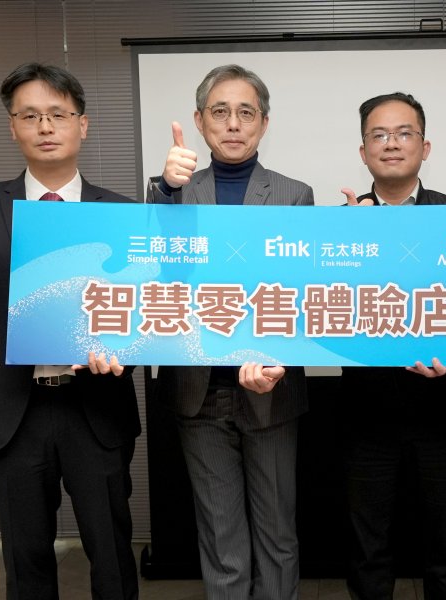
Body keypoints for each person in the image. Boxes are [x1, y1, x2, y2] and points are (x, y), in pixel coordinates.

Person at [0, 63, 141, 599]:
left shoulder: (121, 211)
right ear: (12, 127)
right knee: (25, 561)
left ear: (82, 125)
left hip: (96, 407)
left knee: (112, 556)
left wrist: (123, 353)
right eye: (29, 116)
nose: (45, 126)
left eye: (58, 114)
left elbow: (141, 313)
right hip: (10, 409)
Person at [145, 64, 311, 600]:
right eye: (220, 112)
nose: (233, 124)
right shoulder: (173, 191)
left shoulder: (293, 195)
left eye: (246, 112)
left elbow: (299, 291)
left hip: (271, 389)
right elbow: (158, 272)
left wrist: (276, 357)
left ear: (264, 123)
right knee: (222, 541)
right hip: (200, 392)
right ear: (199, 122)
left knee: (278, 536)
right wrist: (165, 191)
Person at [339, 92, 446, 600]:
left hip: (443, 410)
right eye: (379, 135)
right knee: (367, 548)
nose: (391, 143)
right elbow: (319, 311)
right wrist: (349, 251)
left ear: (425, 146)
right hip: (366, 413)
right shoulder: (339, 225)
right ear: (363, 151)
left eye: (403, 133)